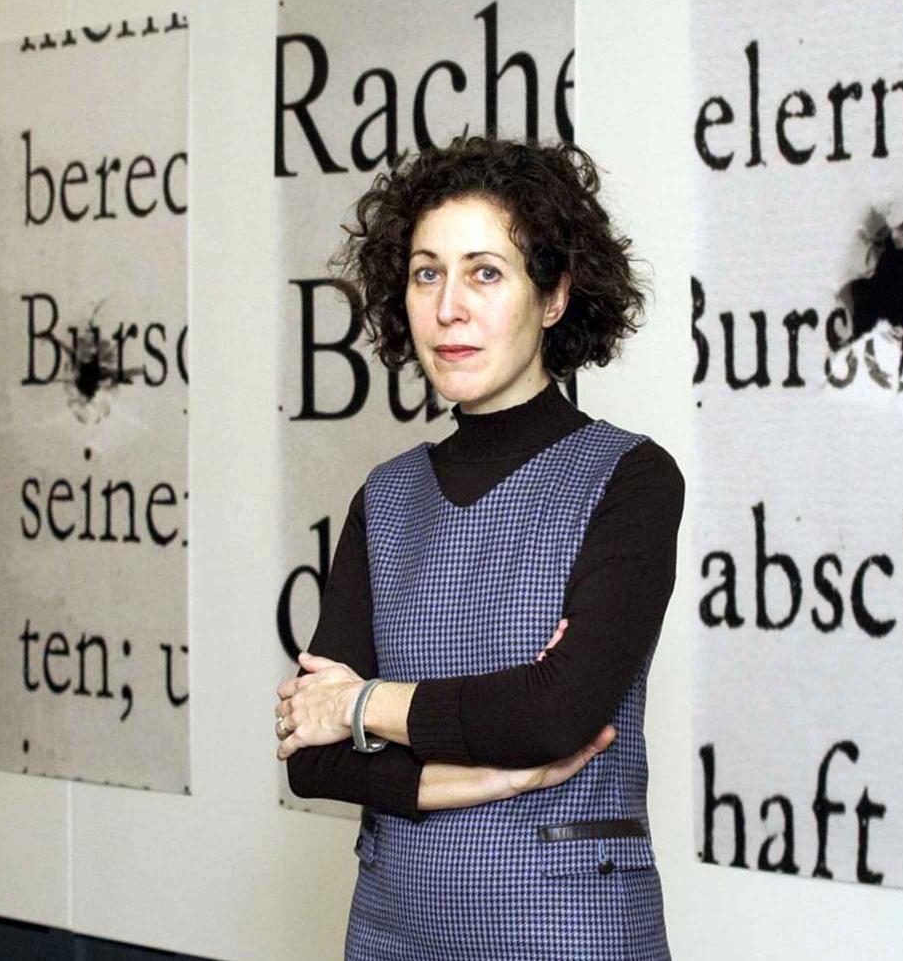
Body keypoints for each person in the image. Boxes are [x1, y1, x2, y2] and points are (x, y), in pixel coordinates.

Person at [273, 137, 683, 960]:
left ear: (556, 294)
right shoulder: (385, 496)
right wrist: (493, 776)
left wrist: (363, 705)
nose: (449, 306)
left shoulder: (630, 480)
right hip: (394, 926)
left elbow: (554, 712)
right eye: (428, 273)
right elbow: (311, 764)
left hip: (567, 930)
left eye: (485, 272)